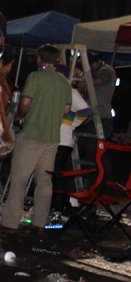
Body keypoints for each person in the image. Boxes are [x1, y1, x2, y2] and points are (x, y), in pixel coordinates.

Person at [1, 44, 72, 230]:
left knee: (19, 180)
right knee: (45, 182)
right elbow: (67, 110)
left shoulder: (35, 77)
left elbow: (25, 103)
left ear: (39, 59)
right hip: (52, 138)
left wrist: (19, 115)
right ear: (56, 60)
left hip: (32, 135)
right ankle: (40, 222)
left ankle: (10, 223)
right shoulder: (64, 82)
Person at [50, 64, 90, 214]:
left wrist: (72, 124)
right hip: (55, 138)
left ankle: (58, 209)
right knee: (56, 174)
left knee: (57, 174)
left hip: (63, 139)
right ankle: (61, 206)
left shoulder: (70, 93)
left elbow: (85, 110)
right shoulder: (57, 92)